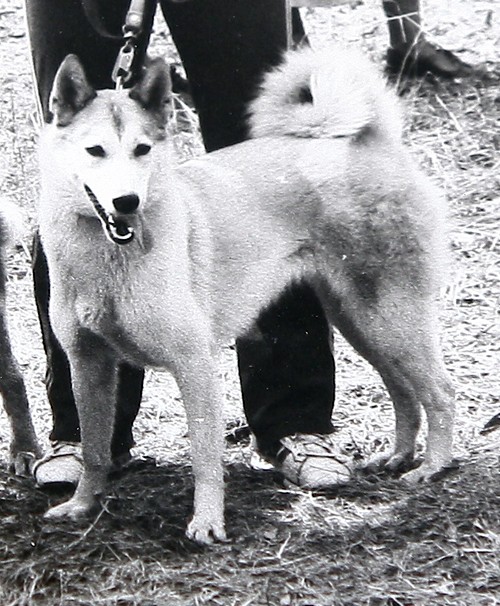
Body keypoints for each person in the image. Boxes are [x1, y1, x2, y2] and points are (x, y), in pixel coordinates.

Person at [25, 0, 472, 491]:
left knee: (241, 99)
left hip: (327, 185)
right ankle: (83, 438)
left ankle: (300, 425)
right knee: (82, 169)